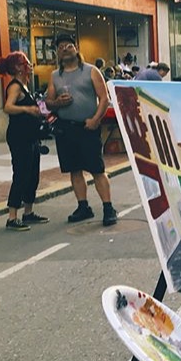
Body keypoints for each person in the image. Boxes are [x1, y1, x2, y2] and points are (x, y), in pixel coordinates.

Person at [45, 33, 118, 226]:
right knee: (75, 170)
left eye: (68, 46)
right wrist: (57, 102)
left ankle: (108, 207)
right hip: (66, 130)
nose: (64, 49)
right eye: (60, 48)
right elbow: (48, 103)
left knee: (97, 170)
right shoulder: (54, 76)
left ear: (76, 48)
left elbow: (104, 99)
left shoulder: (91, 71)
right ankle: (83, 206)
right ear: (57, 53)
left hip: (88, 127)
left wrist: (95, 120)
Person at [0, 52, 48, 231]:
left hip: (30, 136)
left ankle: (28, 212)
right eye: (25, 62)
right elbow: (8, 107)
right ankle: (12, 217)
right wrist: (27, 108)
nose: (29, 64)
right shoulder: (15, 87)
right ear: (17, 67)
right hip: (19, 137)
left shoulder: (25, 85)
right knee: (21, 174)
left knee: (33, 174)